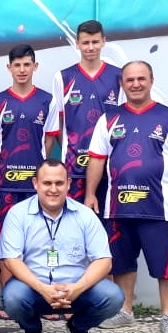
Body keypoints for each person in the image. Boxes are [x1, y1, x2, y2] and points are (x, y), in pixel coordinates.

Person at [85, 60, 168, 333]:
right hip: (118, 207)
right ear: (122, 84)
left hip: (158, 210)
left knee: (166, 266)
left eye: (141, 79)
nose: (135, 84)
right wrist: (89, 194)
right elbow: (97, 159)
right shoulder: (108, 119)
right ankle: (125, 311)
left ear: (151, 80)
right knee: (122, 263)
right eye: (130, 80)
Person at [0, 159, 125, 333]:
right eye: (47, 183)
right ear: (35, 184)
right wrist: (43, 289)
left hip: (76, 290)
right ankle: (32, 330)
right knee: (13, 297)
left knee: (113, 296)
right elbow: (11, 260)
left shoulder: (85, 215)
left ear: (68, 184)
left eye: (59, 183)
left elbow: (104, 261)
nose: (53, 189)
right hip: (34, 289)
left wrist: (76, 288)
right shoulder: (18, 214)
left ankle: (78, 327)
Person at [0, 44, 58, 318]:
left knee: (40, 241)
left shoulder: (48, 101)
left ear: (35, 67)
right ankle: (10, 302)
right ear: (9, 68)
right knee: (7, 243)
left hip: (36, 186)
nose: (22, 70)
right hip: (4, 183)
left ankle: (44, 300)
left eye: (27, 64)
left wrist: (36, 172)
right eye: (16, 65)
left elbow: (49, 140)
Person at [48, 20, 122, 201]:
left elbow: (123, 121)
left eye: (95, 42)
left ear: (104, 41)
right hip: (74, 167)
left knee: (107, 225)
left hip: (110, 165)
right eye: (86, 42)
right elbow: (58, 121)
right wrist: (70, 147)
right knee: (74, 221)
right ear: (77, 44)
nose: (90, 47)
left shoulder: (118, 76)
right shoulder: (63, 77)